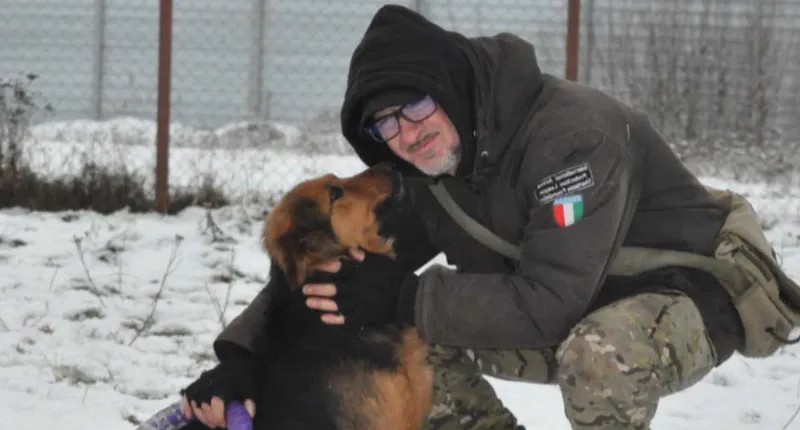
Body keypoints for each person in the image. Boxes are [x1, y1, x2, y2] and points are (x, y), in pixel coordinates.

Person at [179, 4, 796, 429]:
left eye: (416, 108)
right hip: (570, 307)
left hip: (683, 295)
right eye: (385, 126)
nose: (407, 136)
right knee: (412, 338)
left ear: (448, 86)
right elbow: (328, 271)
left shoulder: (574, 139)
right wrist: (243, 358)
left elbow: (551, 300)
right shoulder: (433, 165)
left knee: (598, 356)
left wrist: (406, 297)